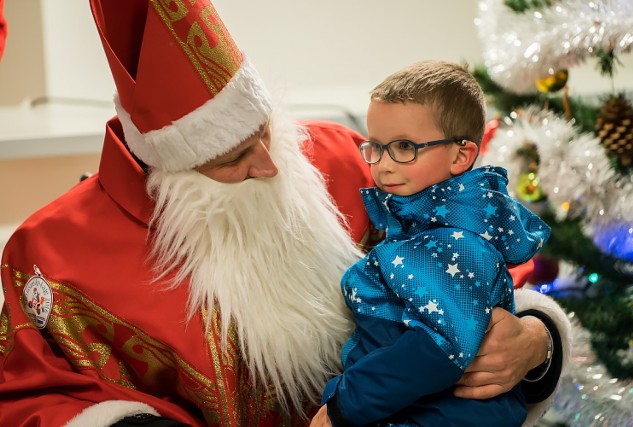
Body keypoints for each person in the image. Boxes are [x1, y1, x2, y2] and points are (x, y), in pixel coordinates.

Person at [0, 1, 569, 426]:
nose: (271, 165)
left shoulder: (345, 158)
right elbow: (36, 395)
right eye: (235, 158)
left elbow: (480, 264)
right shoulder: (52, 254)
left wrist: (534, 338)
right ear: (172, 177)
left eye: (266, 133)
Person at [311, 60, 560, 427]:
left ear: (461, 155)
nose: (383, 165)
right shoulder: (423, 226)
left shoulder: (450, 242)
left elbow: (438, 346)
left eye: (404, 147)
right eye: (376, 147)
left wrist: (342, 406)